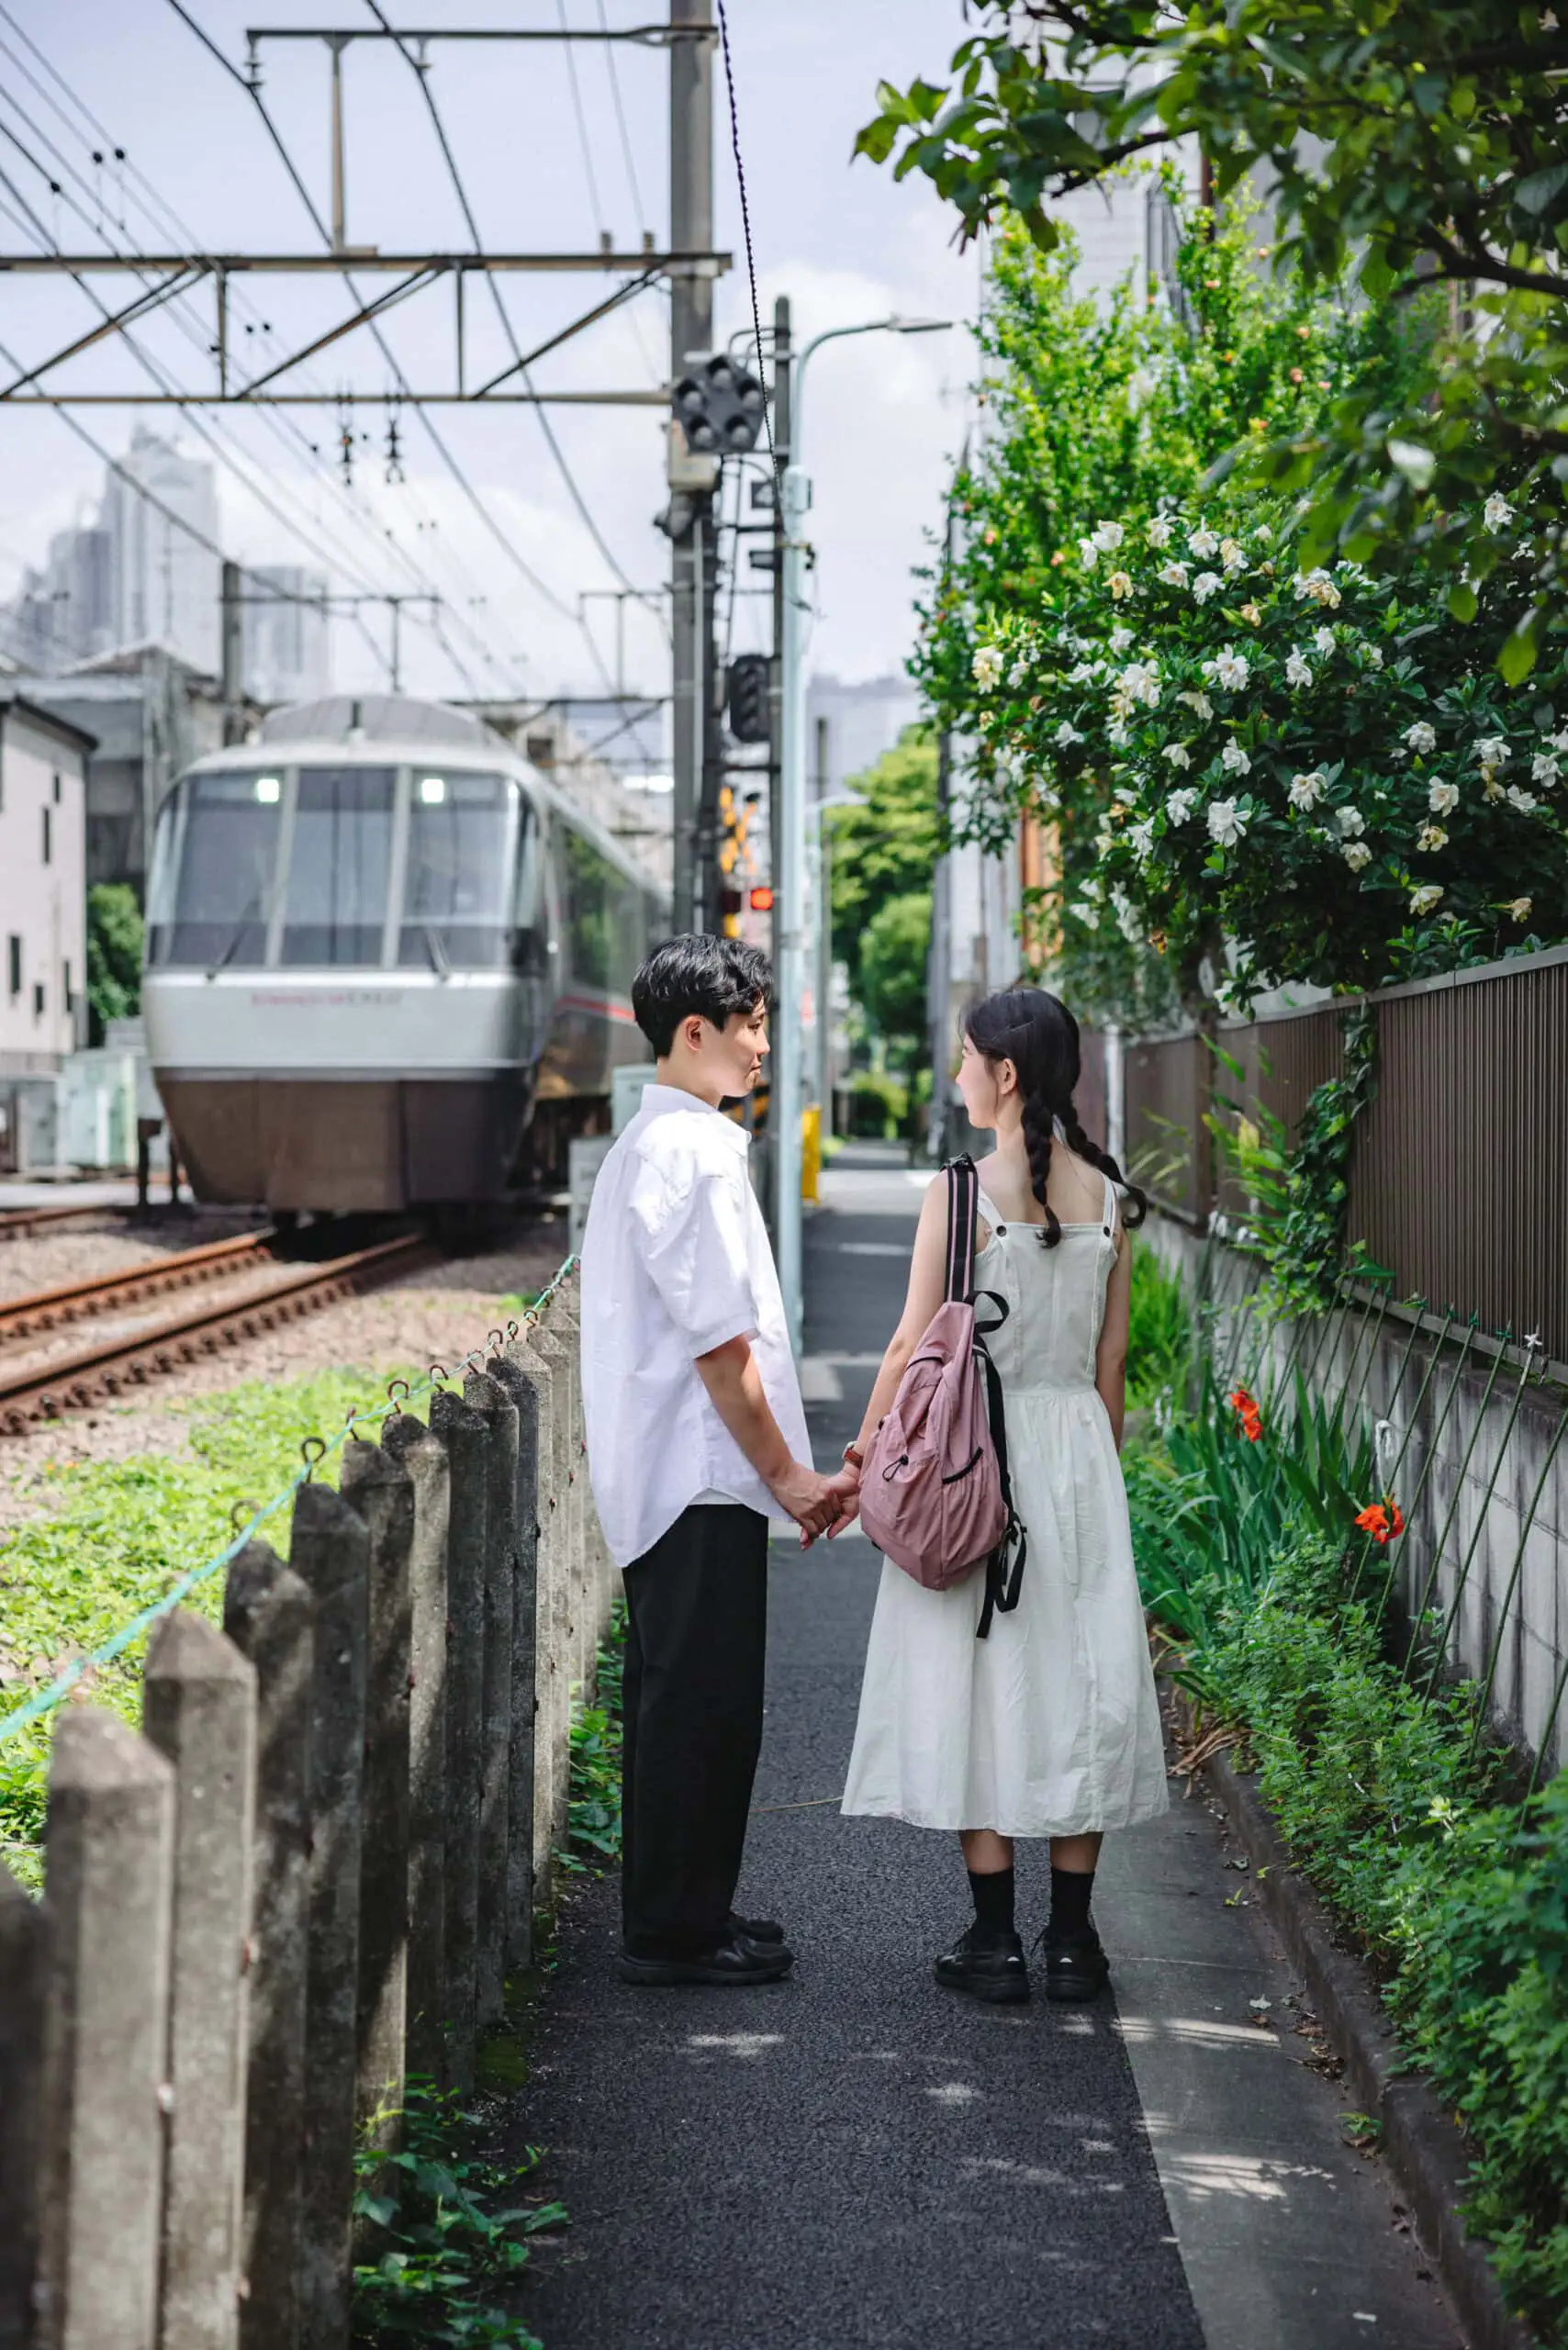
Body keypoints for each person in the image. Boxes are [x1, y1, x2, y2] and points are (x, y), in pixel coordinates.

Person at [836, 986, 1169, 2004]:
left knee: (975, 1682)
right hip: (1076, 1458)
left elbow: (907, 1343)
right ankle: (1074, 1942)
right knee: (1082, 1684)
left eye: (965, 1057)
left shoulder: (961, 1191)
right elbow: (1111, 1371)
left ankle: (995, 1940)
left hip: (974, 1455)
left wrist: (861, 1458)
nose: (957, 1074)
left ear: (1005, 1072)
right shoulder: (1112, 1196)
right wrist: (1091, 1489)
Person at [580, 934, 857, 1988]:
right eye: (748, 1027)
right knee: (703, 1708)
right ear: (692, 1030)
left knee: (679, 1703)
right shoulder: (690, 1153)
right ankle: (674, 1932)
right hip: (697, 1473)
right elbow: (719, 1342)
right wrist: (789, 1474)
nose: (759, 1050)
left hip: (671, 1471)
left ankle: (683, 1912)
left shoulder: (651, 1145)